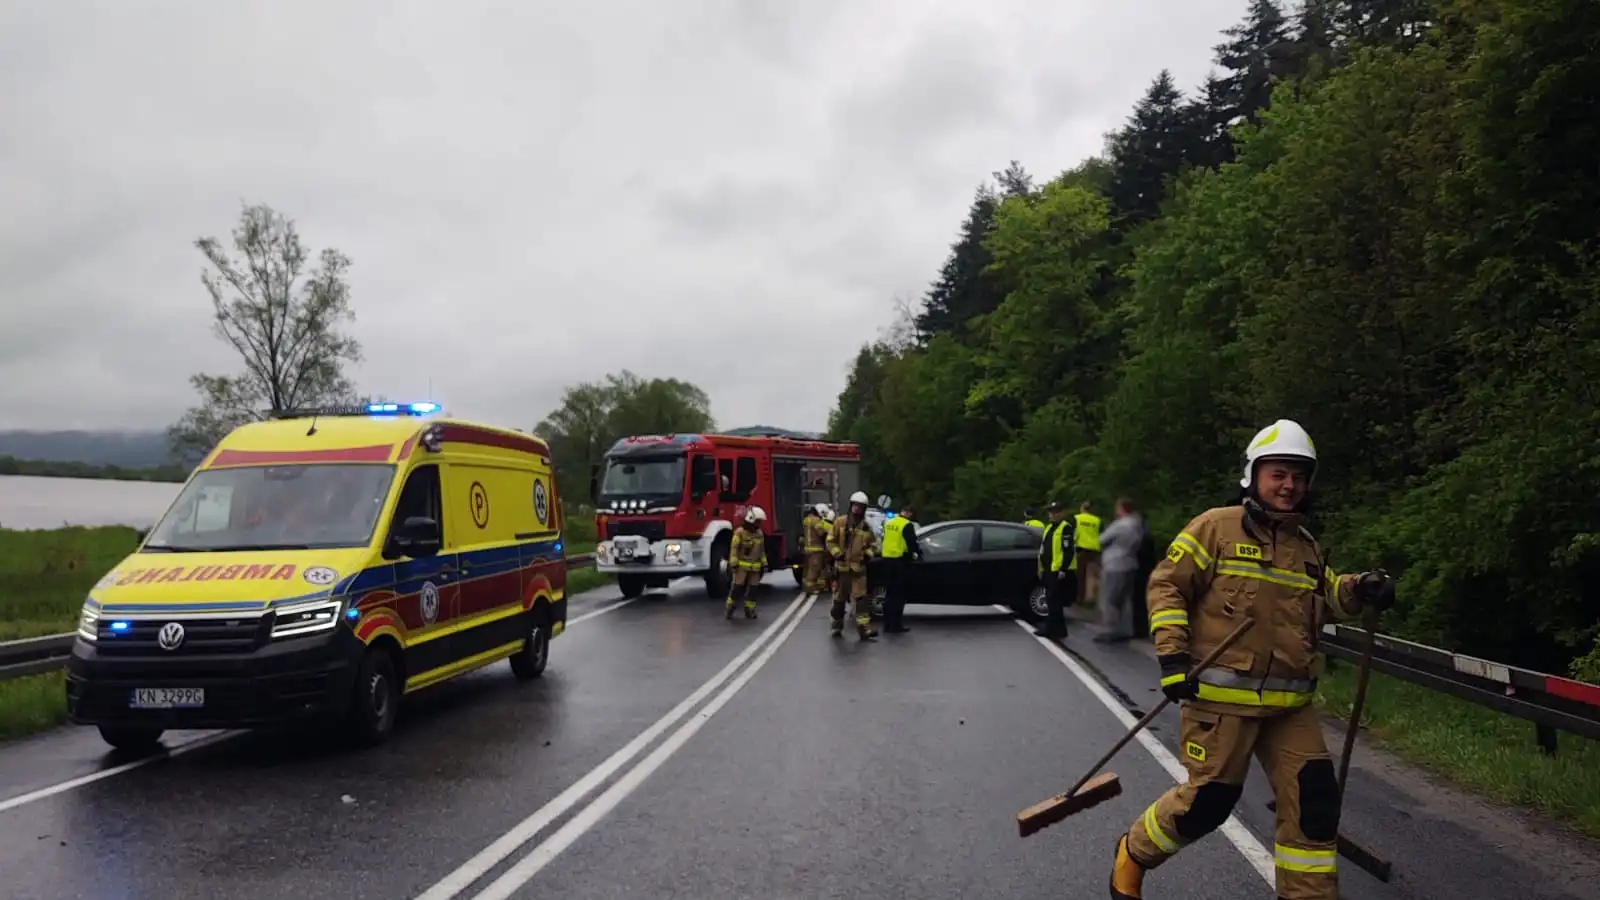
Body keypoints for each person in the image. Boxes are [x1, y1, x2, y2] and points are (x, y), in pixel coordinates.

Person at [1108, 419, 1396, 900]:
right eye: (1279, 473)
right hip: (1220, 703)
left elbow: (1325, 595)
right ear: (1254, 475)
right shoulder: (1214, 527)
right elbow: (1167, 585)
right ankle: (1132, 853)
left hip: (1289, 706)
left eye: (1298, 476)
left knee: (1316, 806)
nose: (1289, 485)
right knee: (1208, 804)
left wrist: (1358, 587)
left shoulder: (1306, 547)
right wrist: (1173, 656)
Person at [1093, 498, 1148, 643]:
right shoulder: (1138, 525)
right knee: (1125, 599)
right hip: (1130, 563)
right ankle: (1126, 630)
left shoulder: (1120, 525)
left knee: (1110, 599)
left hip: (1114, 564)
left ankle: (1110, 631)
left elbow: (1101, 539)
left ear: (1122, 509)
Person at [827, 491, 879, 641]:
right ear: (851, 506)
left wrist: (868, 554)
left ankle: (865, 631)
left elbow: (874, 544)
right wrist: (837, 553)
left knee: (861, 603)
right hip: (842, 569)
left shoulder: (866, 527)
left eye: (860, 506)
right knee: (839, 602)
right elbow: (830, 540)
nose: (857, 509)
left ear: (864, 508)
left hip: (858, 571)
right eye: (855, 505)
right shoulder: (840, 522)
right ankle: (836, 626)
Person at [1033, 501, 1076, 640]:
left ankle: (1051, 628)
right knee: (1052, 600)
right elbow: (1044, 549)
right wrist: (1040, 567)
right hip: (1048, 569)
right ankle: (1059, 629)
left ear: (1061, 513)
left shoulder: (1066, 528)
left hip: (1058, 570)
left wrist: (1063, 569)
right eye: (1050, 512)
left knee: (1053, 599)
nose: (1052, 515)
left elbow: (1068, 551)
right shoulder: (1049, 528)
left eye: (1055, 512)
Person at [878, 503, 922, 634]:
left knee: (889, 594)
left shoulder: (889, 523)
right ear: (908, 513)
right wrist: (919, 555)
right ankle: (896, 625)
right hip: (899, 562)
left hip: (886, 561)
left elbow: (885, 540)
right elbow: (912, 543)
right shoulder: (906, 525)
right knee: (899, 595)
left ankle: (887, 624)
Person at [726, 506, 768, 620]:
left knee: (753, 591)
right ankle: (730, 608)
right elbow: (734, 548)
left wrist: (765, 563)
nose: (760, 524)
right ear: (751, 519)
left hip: (755, 568)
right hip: (741, 567)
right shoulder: (740, 533)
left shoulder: (759, 533)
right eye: (758, 521)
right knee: (737, 589)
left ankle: (750, 610)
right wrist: (733, 562)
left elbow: (761, 550)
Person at [800, 503, 832, 600]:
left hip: (807, 549)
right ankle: (810, 589)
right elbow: (821, 532)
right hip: (816, 549)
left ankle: (810, 587)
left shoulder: (806, 520)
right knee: (814, 569)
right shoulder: (817, 521)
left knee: (808, 569)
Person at [1075, 501, 1103, 606]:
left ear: (1082, 508)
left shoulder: (1077, 519)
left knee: (1080, 576)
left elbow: (1074, 534)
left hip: (1081, 549)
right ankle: (1092, 599)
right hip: (1094, 550)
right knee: (1092, 576)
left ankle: (1080, 598)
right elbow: (1101, 535)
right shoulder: (1097, 520)